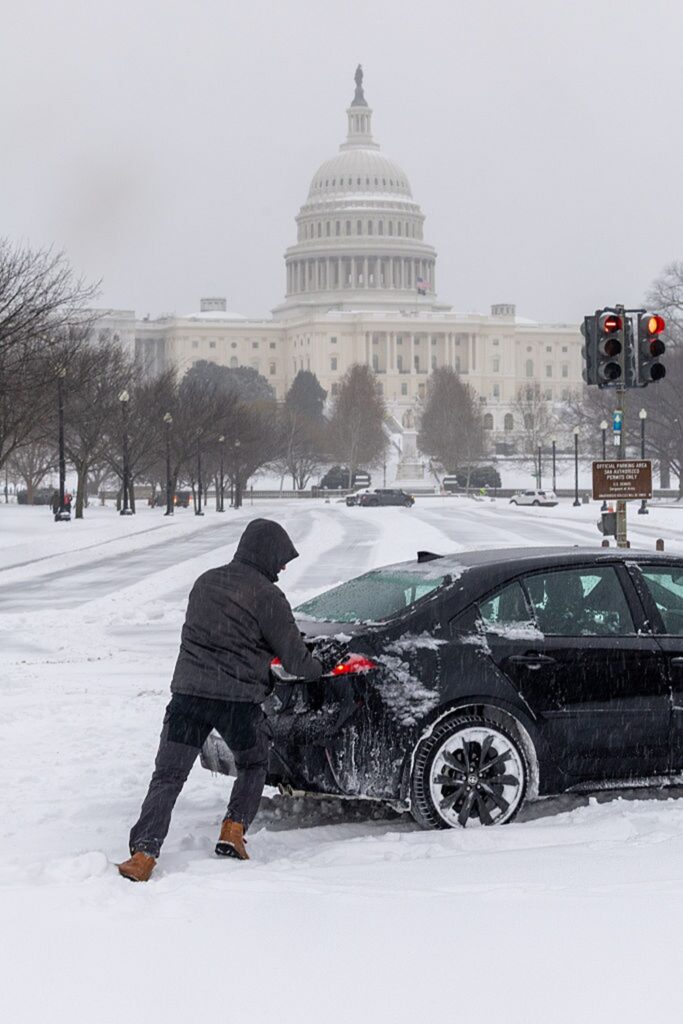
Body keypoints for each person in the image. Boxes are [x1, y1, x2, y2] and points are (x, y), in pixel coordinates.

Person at [118, 518, 323, 882]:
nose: (284, 566)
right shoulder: (268, 596)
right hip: (238, 702)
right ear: (267, 553)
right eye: (282, 557)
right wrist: (318, 668)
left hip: (189, 695)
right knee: (255, 763)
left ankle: (143, 854)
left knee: (167, 776)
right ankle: (233, 831)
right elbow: (295, 659)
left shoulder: (205, 581)